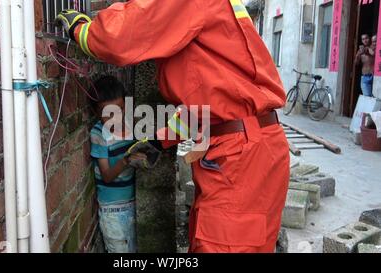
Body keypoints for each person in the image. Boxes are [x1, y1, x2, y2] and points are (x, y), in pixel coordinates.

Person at [57, 0, 290, 253]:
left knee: (222, 244)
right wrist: (159, 141)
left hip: (241, 153)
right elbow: (208, 110)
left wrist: (82, 30)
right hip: (255, 145)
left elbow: (121, 36)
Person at [89, 76, 147, 253]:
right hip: (112, 211)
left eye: (120, 110)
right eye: (109, 114)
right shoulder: (98, 134)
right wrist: (126, 160)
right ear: (97, 113)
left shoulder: (130, 128)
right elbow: (106, 176)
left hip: (133, 203)